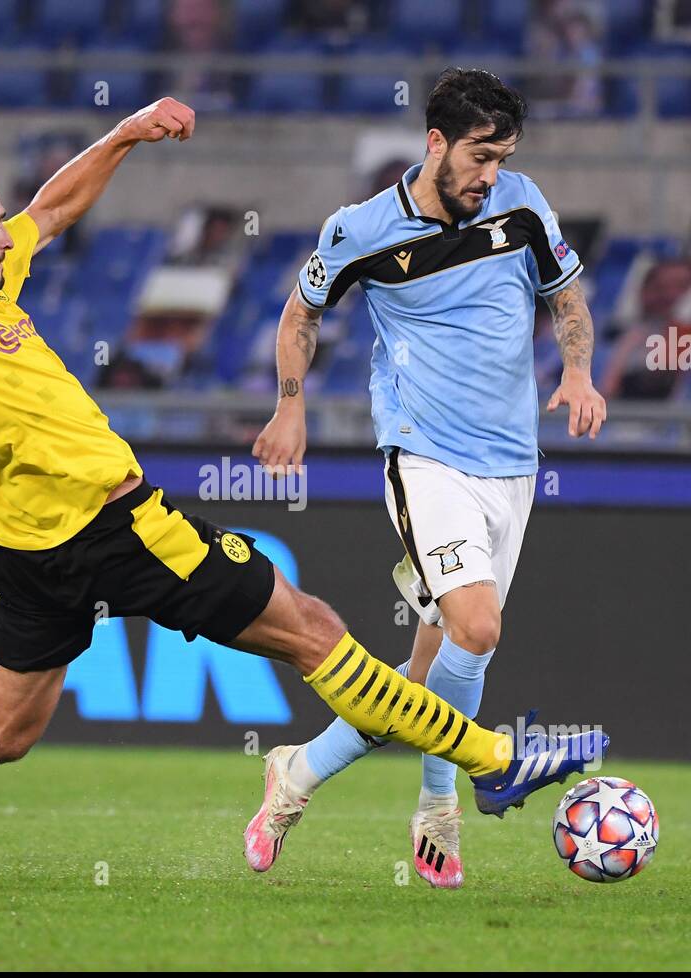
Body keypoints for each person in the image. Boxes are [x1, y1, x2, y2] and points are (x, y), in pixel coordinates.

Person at [0, 97, 605, 884]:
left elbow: (54, 210)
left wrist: (122, 136)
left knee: (4, 728)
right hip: (120, 525)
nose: (5, 227)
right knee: (313, 630)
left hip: (27, 547)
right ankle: (494, 761)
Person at [248, 69, 607, 888]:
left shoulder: (521, 205)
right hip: (424, 457)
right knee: (477, 628)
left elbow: (568, 298)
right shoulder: (361, 229)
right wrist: (291, 406)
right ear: (436, 143)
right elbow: (301, 315)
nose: (491, 173)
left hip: (513, 463)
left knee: (428, 674)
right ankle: (445, 798)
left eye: (503, 156)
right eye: (480, 155)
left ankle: (298, 772)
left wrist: (579, 375)